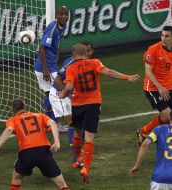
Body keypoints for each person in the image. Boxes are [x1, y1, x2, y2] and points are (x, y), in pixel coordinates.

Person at [59, 43, 140, 183]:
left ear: (73, 55)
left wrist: (63, 94)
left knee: (77, 132)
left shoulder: (70, 68)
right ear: (86, 53)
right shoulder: (95, 62)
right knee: (89, 138)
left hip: (78, 104)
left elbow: (70, 86)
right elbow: (108, 72)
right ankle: (86, 168)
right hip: (93, 104)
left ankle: (77, 159)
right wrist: (128, 77)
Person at [0, 99, 70, 190]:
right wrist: (57, 142)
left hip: (26, 153)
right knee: (61, 184)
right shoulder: (39, 115)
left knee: (17, 176)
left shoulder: (12, 120)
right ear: (25, 107)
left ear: (12, 110)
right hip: (44, 152)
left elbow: (9, 130)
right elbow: (53, 123)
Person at [49, 42, 94, 168]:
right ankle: (77, 159)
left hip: (70, 94)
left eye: (89, 51)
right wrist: (66, 93)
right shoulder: (71, 62)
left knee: (79, 125)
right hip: (59, 94)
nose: (88, 53)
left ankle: (78, 152)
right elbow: (57, 79)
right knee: (73, 124)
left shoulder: (88, 64)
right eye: (86, 51)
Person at [137, 25, 172, 146]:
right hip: (152, 88)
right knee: (167, 114)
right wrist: (160, 87)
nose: (163, 38)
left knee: (167, 117)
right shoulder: (153, 50)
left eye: (167, 36)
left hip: (168, 87)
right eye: (162, 35)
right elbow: (148, 71)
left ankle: (143, 131)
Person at [34, 6, 69, 124]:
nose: (64, 17)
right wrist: (45, 69)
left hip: (51, 65)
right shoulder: (52, 28)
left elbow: (55, 45)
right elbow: (42, 48)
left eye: (66, 14)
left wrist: (56, 57)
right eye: (61, 14)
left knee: (50, 93)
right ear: (56, 15)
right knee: (57, 92)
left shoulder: (62, 26)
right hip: (45, 67)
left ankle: (49, 122)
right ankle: (53, 123)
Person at [129, 111, 172, 190]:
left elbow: (144, 144)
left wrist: (137, 166)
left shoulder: (159, 129)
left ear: (170, 118)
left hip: (160, 179)